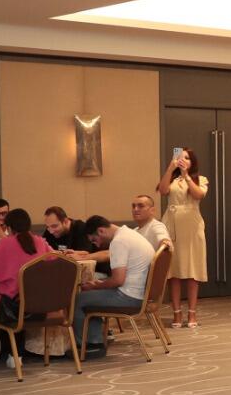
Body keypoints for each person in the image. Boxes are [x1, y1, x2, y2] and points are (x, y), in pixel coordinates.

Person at [73, 215, 155, 360]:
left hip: (130, 297)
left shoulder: (119, 242)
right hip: (141, 294)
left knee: (78, 299)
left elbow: (118, 280)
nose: (96, 245)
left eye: (94, 240)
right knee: (92, 293)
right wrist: (99, 285)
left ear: (101, 231)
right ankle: (95, 339)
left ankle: (89, 346)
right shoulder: (129, 234)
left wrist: (95, 286)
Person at [0, 208, 52, 367]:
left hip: (12, 309)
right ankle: (17, 354)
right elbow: (54, 260)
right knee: (20, 299)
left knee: (5, 300)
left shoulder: (6, 243)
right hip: (41, 307)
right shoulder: (40, 242)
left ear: (9, 227)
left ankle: (13, 354)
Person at [158, 147, 209, 329]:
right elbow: (162, 190)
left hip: (192, 225)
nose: (183, 160)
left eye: (186, 158)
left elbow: (198, 195)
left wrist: (186, 176)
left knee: (193, 270)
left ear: (192, 162)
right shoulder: (171, 178)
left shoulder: (200, 179)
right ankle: (177, 313)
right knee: (174, 272)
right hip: (171, 223)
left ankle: (192, 313)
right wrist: (170, 169)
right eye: (180, 157)